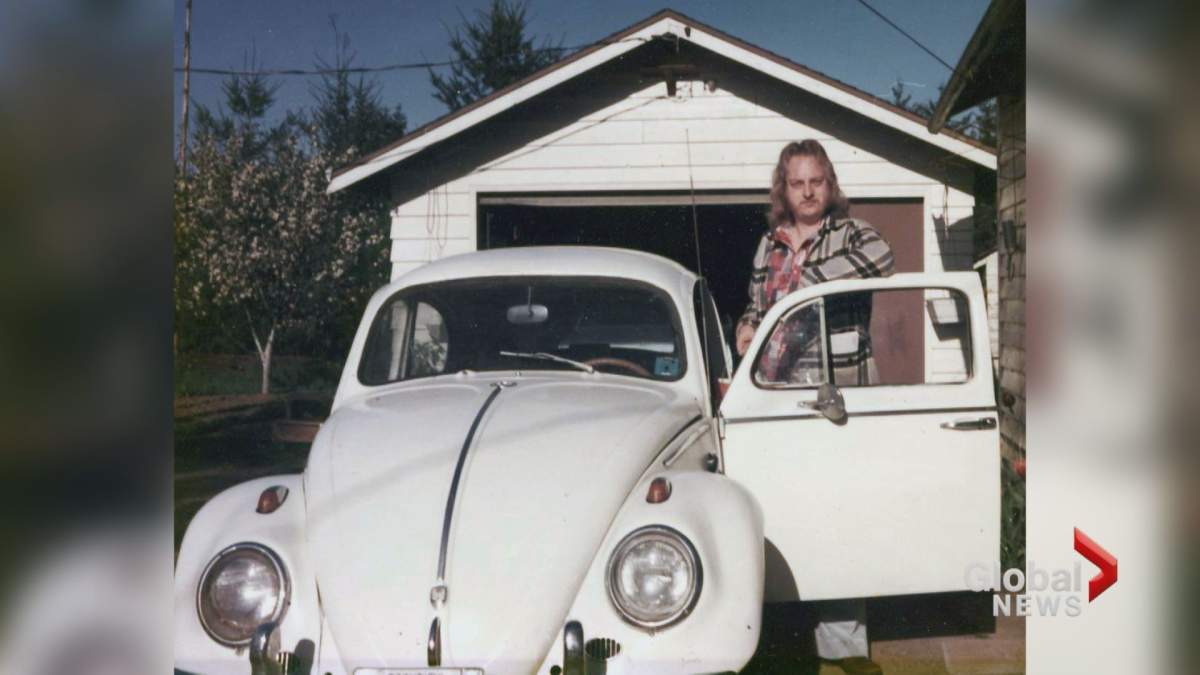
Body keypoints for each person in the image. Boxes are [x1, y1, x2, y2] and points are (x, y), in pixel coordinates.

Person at [736, 139, 894, 675]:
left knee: (841, 514)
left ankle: (843, 646)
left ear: (830, 185)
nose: (807, 191)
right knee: (785, 511)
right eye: (796, 182)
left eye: (816, 181)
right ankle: (779, 637)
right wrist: (746, 327)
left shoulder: (852, 233)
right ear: (783, 188)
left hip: (839, 395)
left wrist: (800, 284)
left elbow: (882, 259)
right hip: (778, 396)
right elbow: (754, 307)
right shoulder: (767, 245)